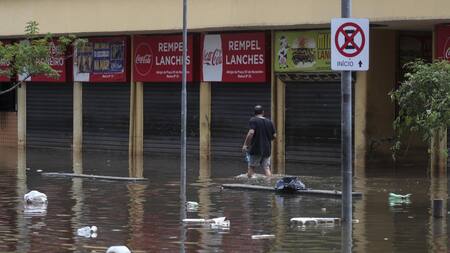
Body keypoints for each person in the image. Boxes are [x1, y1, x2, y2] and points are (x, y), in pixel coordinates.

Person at [242, 105, 276, 177]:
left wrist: (246, 145)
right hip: (267, 149)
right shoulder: (269, 122)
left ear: (254, 113)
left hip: (256, 149)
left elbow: (251, 133)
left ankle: (249, 185)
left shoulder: (253, 120)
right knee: (266, 168)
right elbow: (274, 136)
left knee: (251, 167)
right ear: (263, 112)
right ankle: (269, 184)